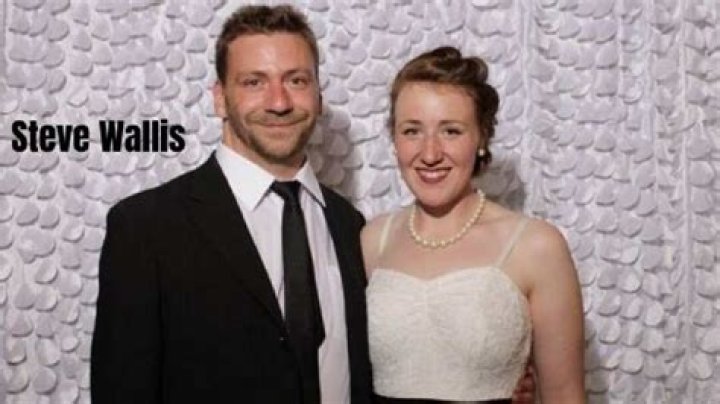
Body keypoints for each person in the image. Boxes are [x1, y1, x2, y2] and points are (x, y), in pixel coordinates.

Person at [90, 5, 371, 403]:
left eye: (296, 80)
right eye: (254, 82)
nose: (279, 102)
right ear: (220, 99)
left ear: (318, 95)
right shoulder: (145, 229)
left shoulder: (350, 225)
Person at [361, 47, 585, 403]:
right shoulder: (372, 240)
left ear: (481, 137)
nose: (430, 153)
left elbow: (564, 394)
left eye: (451, 131)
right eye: (412, 131)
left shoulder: (536, 246)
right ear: (394, 139)